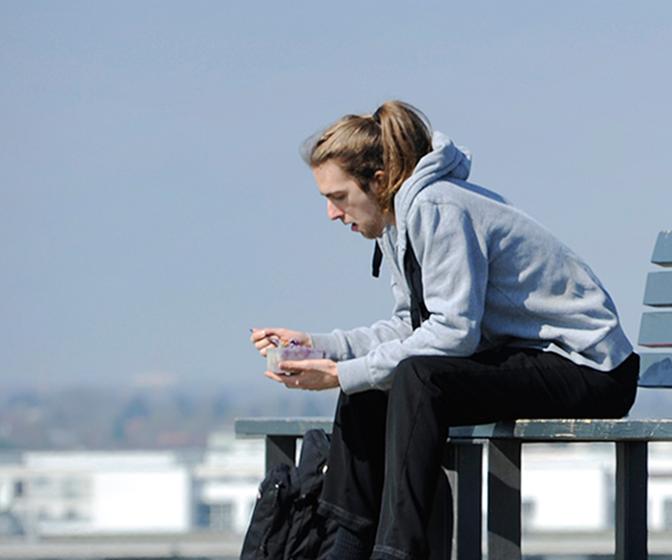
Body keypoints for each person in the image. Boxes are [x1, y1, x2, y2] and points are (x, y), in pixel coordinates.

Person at [250, 100, 639, 560]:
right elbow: (409, 328)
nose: (333, 214)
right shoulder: (400, 219)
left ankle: (396, 551)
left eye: (337, 197)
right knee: (377, 381)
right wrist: (321, 347)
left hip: (590, 368)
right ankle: (344, 542)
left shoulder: (438, 207)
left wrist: (342, 374)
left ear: (377, 183)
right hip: (525, 356)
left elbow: (453, 333)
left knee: (414, 376)